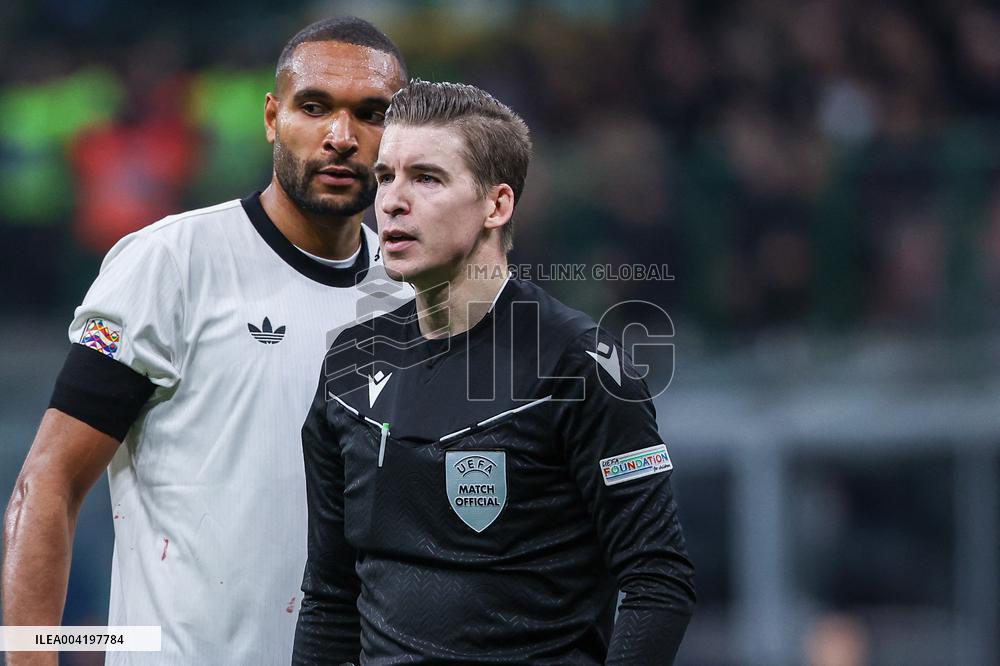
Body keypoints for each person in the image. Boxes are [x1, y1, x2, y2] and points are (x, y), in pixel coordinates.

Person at [3, 17, 409, 665]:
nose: (341, 137)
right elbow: (48, 481)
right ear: (272, 118)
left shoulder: (416, 294)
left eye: (371, 114)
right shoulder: (172, 264)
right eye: (314, 107)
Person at [294, 80, 696, 665]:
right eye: (385, 177)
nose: (392, 202)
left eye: (426, 178)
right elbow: (330, 597)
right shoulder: (349, 367)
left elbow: (658, 582)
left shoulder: (580, 367)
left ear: (497, 204)